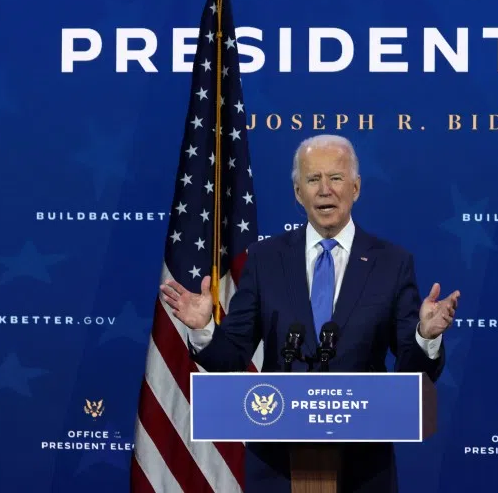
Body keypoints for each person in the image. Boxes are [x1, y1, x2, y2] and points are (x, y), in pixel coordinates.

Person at [159, 134, 460, 493]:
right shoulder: (265, 260)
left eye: (335, 178)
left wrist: (425, 336)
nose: (325, 190)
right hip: (276, 464)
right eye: (313, 179)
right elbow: (231, 356)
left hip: (363, 468)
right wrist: (206, 328)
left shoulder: (392, 264)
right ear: (298, 193)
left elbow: (412, 372)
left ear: (356, 187)